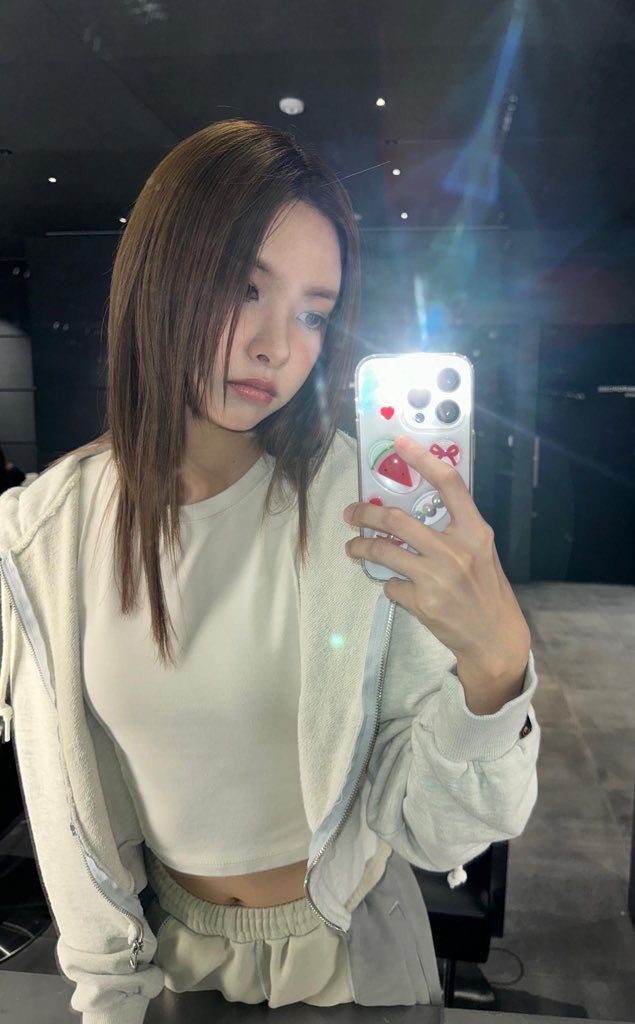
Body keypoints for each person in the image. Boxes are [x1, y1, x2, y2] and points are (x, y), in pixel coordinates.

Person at [0, 120, 540, 1023]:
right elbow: (65, 807)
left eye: (313, 312)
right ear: (160, 274)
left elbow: (436, 831)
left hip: (353, 962)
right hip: (167, 969)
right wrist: (105, 990)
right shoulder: (45, 535)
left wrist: (494, 674)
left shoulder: (360, 514)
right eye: (243, 287)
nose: (276, 345)